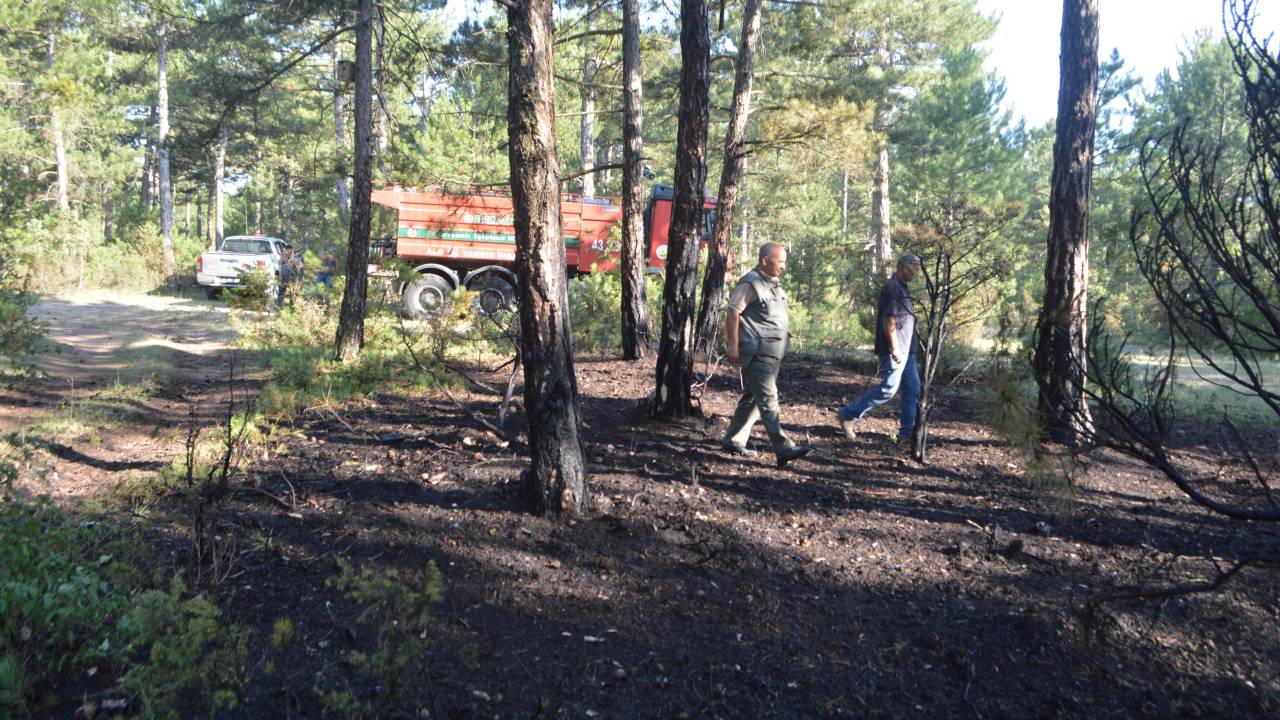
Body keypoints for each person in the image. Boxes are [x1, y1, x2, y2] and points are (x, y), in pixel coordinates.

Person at [721, 242, 813, 468]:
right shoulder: (750, 283)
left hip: (772, 354)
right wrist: (733, 345)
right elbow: (733, 312)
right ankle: (783, 448)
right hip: (757, 353)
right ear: (764, 260)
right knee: (769, 399)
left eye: (784, 262)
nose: (783, 266)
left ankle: (733, 440)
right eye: (779, 262)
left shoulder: (773, 283)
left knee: (752, 399)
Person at [838, 253, 922, 444]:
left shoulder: (902, 286)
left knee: (913, 388)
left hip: (906, 349)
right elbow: (888, 320)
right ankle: (848, 414)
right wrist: (894, 348)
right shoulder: (892, 288)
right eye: (913, 269)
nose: (916, 273)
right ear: (902, 267)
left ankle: (907, 433)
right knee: (888, 389)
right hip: (896, 349)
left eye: (918, 269)